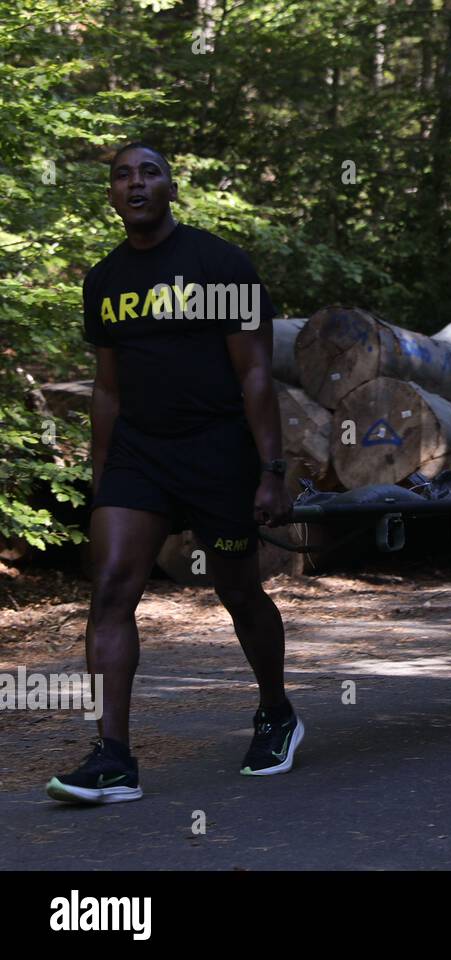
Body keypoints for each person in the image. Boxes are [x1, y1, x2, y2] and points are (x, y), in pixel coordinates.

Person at [46, 143, 302, 804]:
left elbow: (254, 374)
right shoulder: (102, 280)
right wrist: (103, 478)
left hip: (219, 451)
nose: (135, 183)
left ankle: (277, 712)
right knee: (109, 591)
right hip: (141, 455)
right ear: (112, 195)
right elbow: (106, 389)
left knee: (239, 591)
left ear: (172, 187)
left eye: (149, 172)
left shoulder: (219, 263)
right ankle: (112, 757)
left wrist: (272, 469)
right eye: (122, 175)